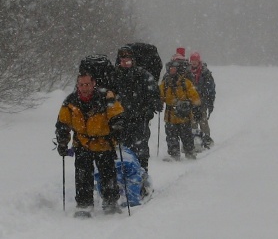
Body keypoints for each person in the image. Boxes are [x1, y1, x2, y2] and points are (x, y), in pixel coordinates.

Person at [55, 72, 125, 215]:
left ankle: (110, 202)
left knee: (108, 175)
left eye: (87, 84)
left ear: (93, 84)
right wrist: (62, 142)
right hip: (82, 144)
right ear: (77, 85)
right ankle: (84, 205)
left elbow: (116, 114)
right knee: (82, 176)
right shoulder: (70, 102)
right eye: (81, 84)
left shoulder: (106, 98)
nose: (84, 88)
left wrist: (118, 126)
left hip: (104, 143)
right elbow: (63, 124)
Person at [113, 45, 162, 173]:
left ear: (133, 60)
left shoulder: (143, 75)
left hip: (140, 118)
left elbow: (154, 93)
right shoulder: (113, 76)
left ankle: (142, 176)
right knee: (119, 151)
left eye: (127, 60)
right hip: (119, 120)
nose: (125, 63)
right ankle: (120, 178)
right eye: (122, 61)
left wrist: (152, 107)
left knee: (140, 150)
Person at [159, 59, 201, 161]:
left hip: (184, 117)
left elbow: (195, 97)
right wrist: (157, 103)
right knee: (171, 137)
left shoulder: (186, 83)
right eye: (170, 69)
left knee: (186, 136)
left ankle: (190, 153)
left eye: (173, 68)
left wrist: (195, 107)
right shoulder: (165, 84)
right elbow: (159, 96)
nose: (170, 70)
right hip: (170, 117)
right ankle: (174, 154)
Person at [189, 51, 216, 147]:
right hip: (191, 102)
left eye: (195, 60)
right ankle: (194, 140)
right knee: (192, 122)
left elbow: (211, 88)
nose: (194, 62)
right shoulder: (187, 72)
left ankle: (206, 139)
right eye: (192, 60)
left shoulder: (205, 72)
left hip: (202, 102)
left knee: (203, 121)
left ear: (199, 61)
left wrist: (210, 101)